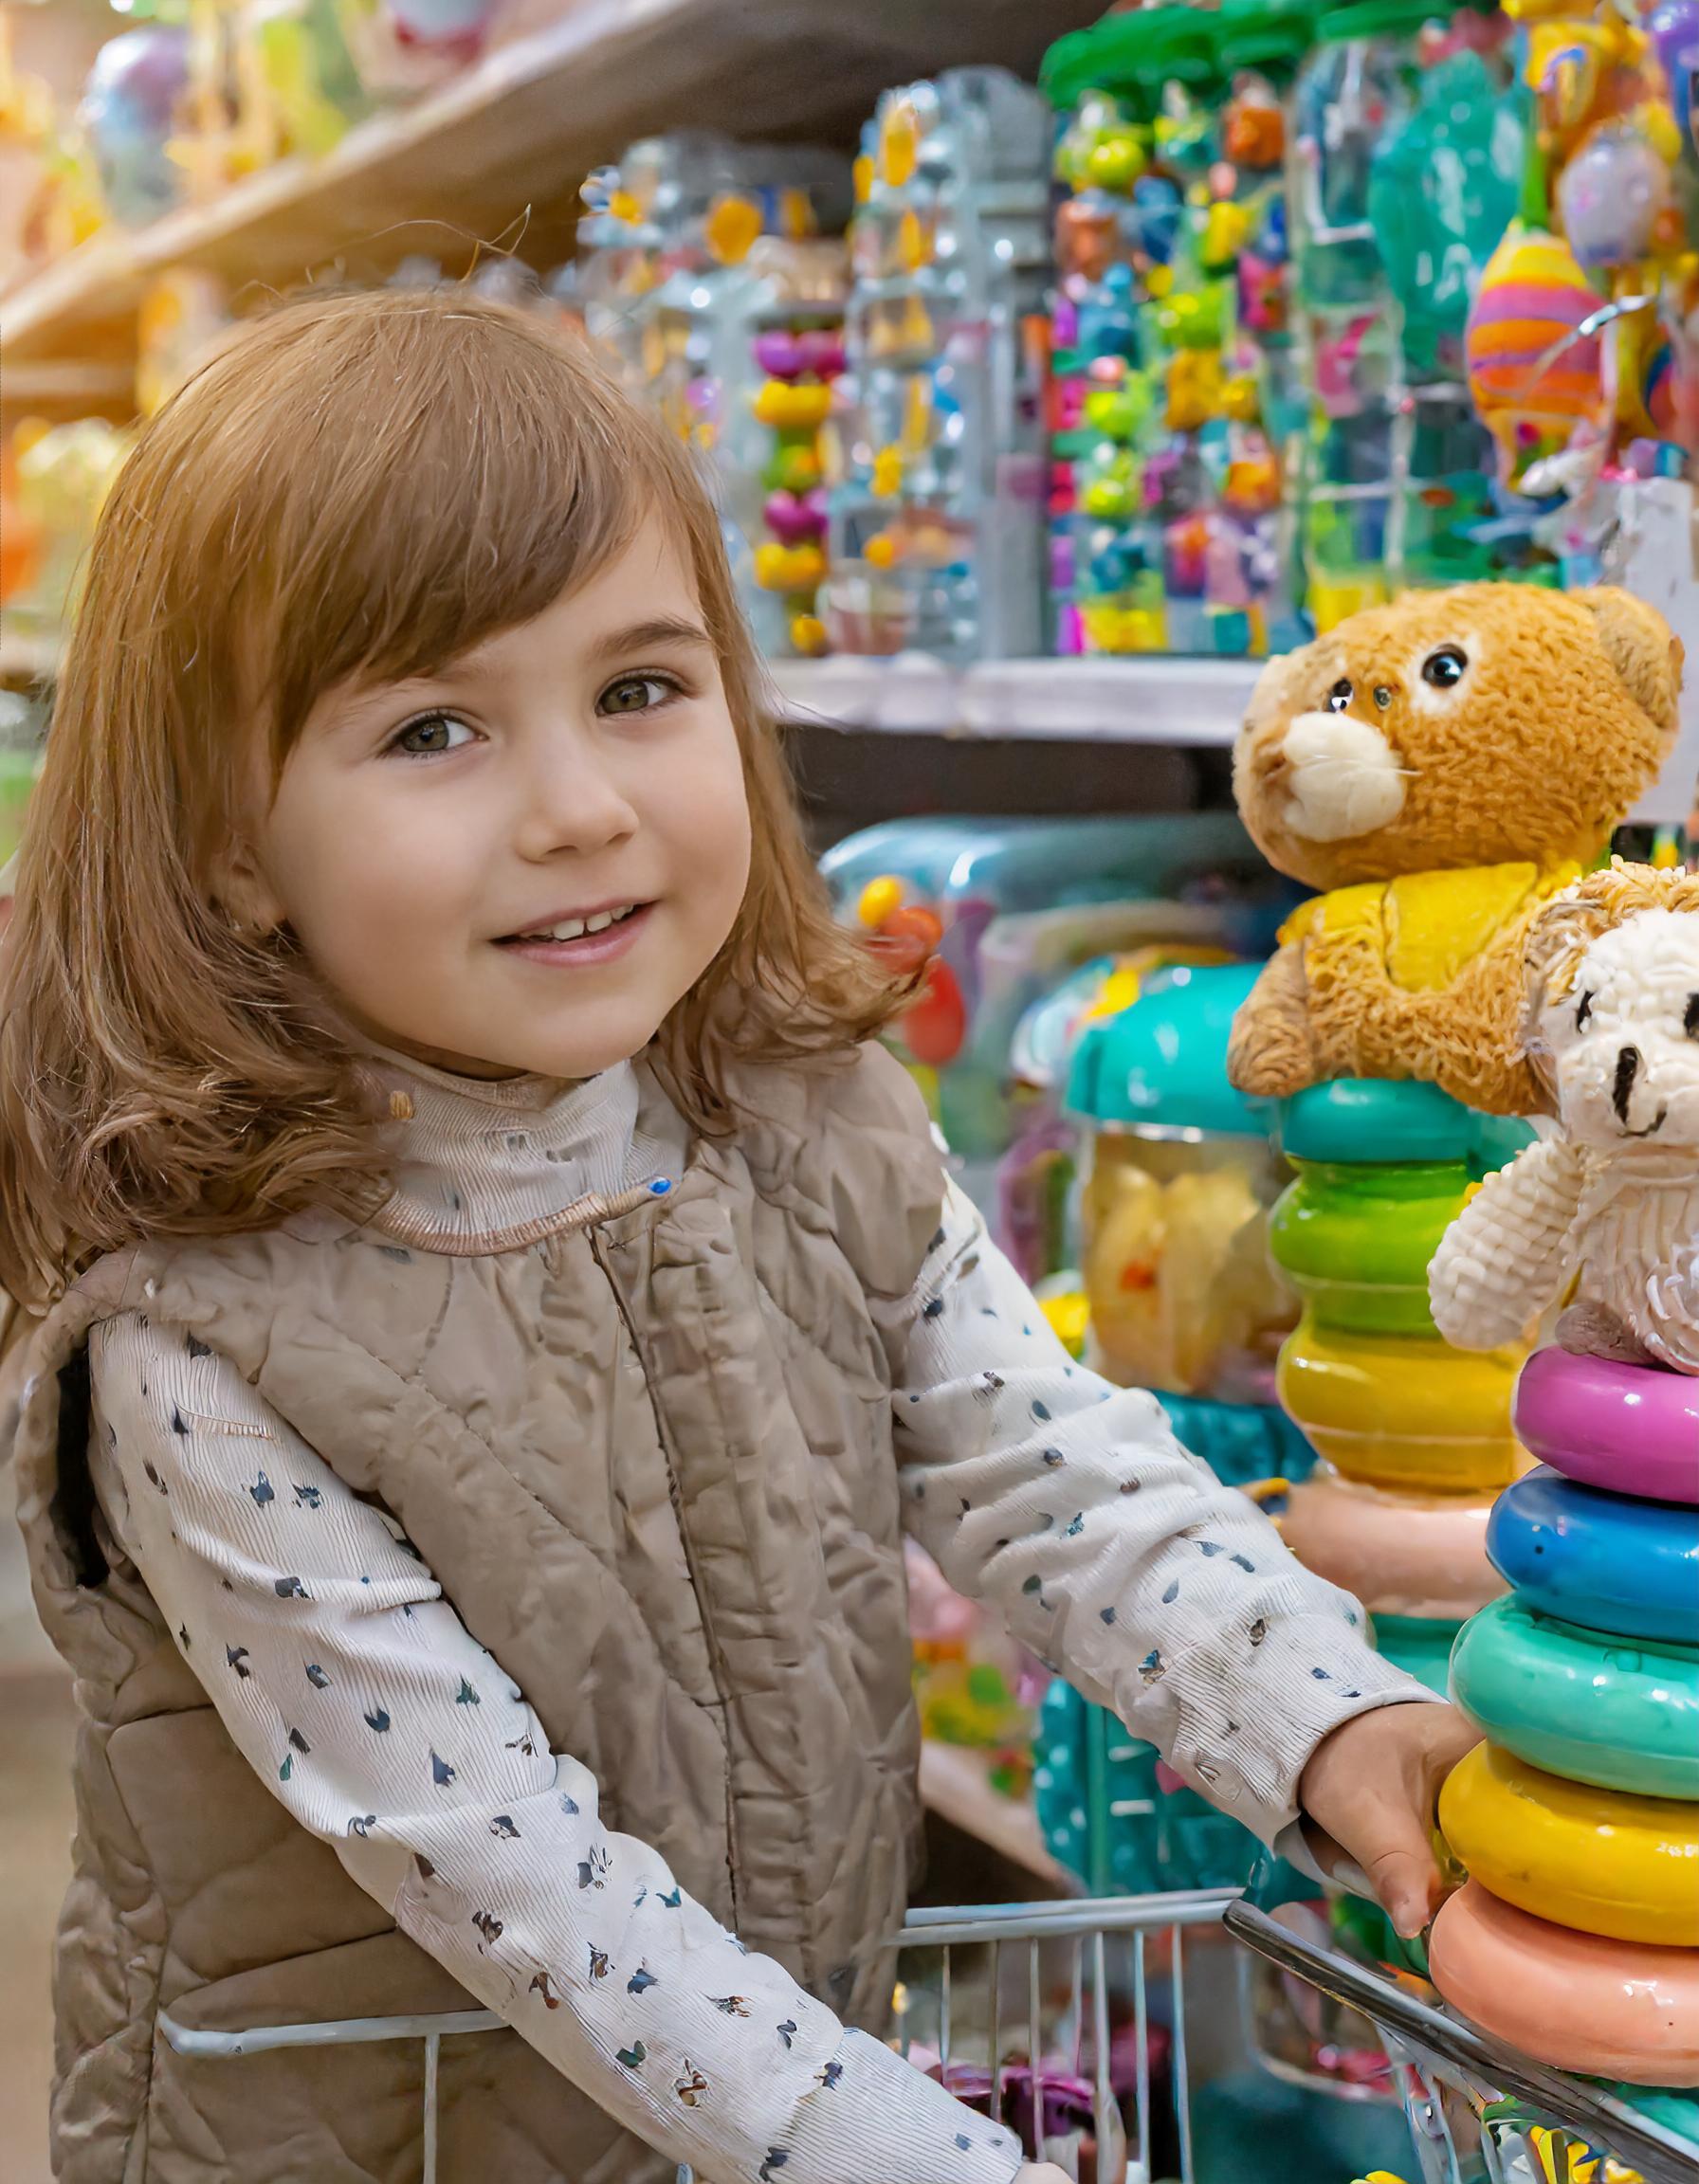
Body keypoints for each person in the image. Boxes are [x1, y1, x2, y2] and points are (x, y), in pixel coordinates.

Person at [0, 289, 1474, 2184]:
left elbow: (1056, 1475)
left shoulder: (802, 1125)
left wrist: (1321, 1718)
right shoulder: (197, 1350)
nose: (582, 811)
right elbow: (523, 1887)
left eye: (638, 688)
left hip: (744, 2117)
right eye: (434, 726)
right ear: (223, 845)